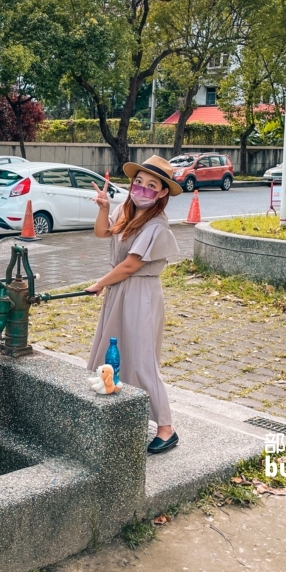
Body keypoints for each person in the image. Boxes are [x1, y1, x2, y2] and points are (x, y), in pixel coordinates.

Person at [85, 155, 183, 455]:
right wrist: (103, 208)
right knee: (113, 350)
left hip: (141, 294)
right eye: (138, 182)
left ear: (163, 192)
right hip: (120, 291)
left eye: (151, 185)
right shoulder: (125, 211)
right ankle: (123, 411)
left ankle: (166, 428)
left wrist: (101, 283)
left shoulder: (157, 226)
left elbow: (130, 266)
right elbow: (102, 233)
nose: (142, 189)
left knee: (141, 359)